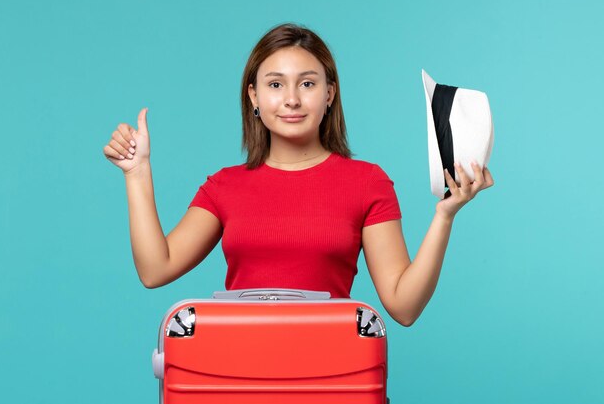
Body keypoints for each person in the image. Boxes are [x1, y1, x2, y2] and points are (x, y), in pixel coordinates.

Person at [103, 23, 493, 327]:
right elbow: (156, 270)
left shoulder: (368, 182)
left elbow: (403, 307)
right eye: (275, 84)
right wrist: (137, 174)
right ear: (254, 96)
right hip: (238, 377)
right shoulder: (224, 186)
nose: (291, 99)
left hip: (333, 377)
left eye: (307, 83)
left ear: (329, 94)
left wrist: (444, 216)